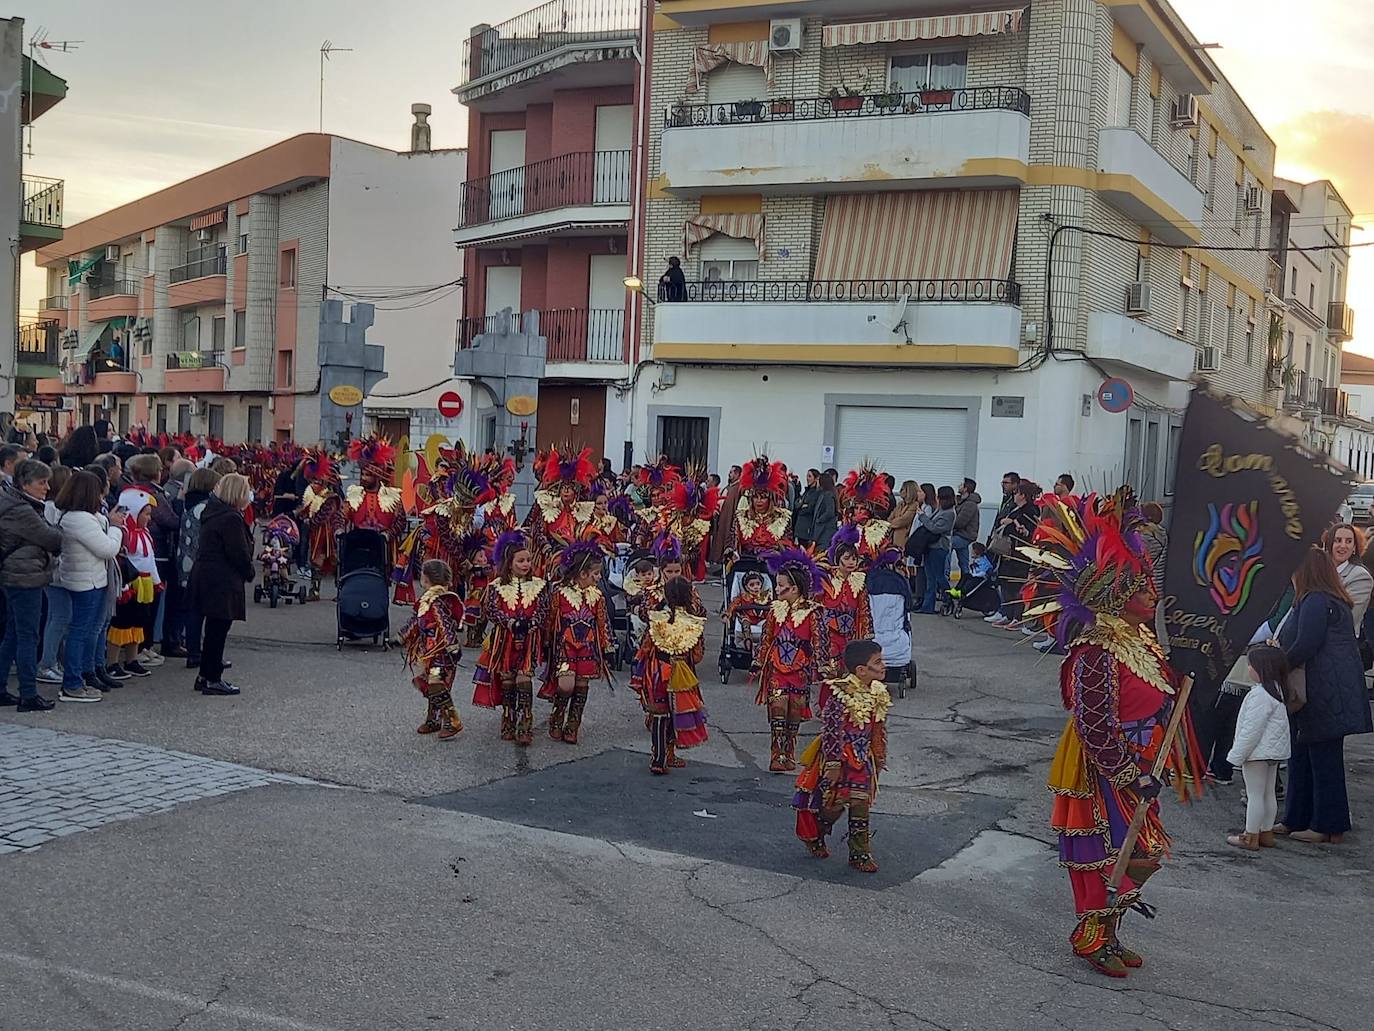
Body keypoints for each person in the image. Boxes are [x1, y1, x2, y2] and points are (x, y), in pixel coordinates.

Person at [1022, 488, 1199, 978]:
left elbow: (1157, 694)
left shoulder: (1139, 638)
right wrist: (1127, 774)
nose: (1153, 596)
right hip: (1105, 768)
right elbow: (1094, 722)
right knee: (1107, 852)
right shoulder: (1096, 651)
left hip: (1143, 760)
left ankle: (1110, 931)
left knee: (1140, 852)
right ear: (1118, 597)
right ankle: (1091, 936)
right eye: (1143, 590)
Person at [1275, 547, 1373, 843]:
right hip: (1327, 689)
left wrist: (1276, 666)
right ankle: (1298, 818)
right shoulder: (1329, 600)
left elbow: (1307, 643)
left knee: (1321, 759)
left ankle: (1326, 824)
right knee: (1305, 755)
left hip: (1321, 690)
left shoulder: (1315, 600)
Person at [792, 638, 891, 872]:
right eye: (878, 662)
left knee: (860, 803)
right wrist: (833, 764)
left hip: (862, 760)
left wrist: (879, 756)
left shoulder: (877, 692)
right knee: (833, 805)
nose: (884, 665)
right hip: (840, 758)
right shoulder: (840, 694)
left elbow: (878, 728)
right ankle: (816, 831)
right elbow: (831, 730)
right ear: (861, 670)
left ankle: (859, 854)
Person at [49, 471, 125, 702]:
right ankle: (72, 683)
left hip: (87, 578)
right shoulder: (79, 519)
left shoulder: (74, 516)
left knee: (85, 630)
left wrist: (106, 520)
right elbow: (107, 549)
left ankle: (84, 674)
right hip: (86, 581)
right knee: (79, 632)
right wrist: (115, 527)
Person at [471, 530, 549, 745]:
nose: (526, 564)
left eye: (528, 560)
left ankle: (524, 724)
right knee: (507, 681)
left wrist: (532, 623)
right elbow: (491, 610)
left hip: (528, 640)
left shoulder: (540, 585)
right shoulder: (496, 586)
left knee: (524, 679)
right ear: (509, 562)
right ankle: (508, 718)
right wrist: (510, 622)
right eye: (521, 561)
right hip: (504, 641)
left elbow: (544, 610)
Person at [753, 548, 824, 773]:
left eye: (780, 585)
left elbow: (819, 642)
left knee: (794, 715)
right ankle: (777, 755)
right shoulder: (775, 611)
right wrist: (759, 661)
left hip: (800, 672)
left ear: (794, 589)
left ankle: (789, 753)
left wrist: (824, 666)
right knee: (778, 712)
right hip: (777, 669)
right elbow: (766, 639)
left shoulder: (813, 613)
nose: (776, 589)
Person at [0, 460, 63, 711]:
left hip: (17, 574)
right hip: (24, 576)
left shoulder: (14, 502)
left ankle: (1, 688)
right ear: (25, 484)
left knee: (14, 634)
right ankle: (28, 694)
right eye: (41, 482)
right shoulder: (21, 510)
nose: (47, 487)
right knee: (28, 636)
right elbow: (51, 538)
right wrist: (56, 530)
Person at [632, 575, 709, 774]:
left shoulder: (656, 618)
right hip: (681, 674)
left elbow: (646, 646)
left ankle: (658, 759)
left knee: (659, 715)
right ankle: (670, 754)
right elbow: (698, 655)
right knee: (675, 713)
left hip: (658, 671)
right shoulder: (694, 622)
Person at [189, 474, 255, 696]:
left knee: (214, 629)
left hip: (209, 575)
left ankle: (205, 674)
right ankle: (212, 678)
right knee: (218, 630)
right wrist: (249, 571)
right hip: (221, 579)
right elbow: (238, 552)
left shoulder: (215, 512)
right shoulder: (230, 518)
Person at [539, 542, 612, 745]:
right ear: (582, 573)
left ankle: (573, 724)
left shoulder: (597, 597)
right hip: (565, 647)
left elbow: (602, 623)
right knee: (566, 684)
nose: (598, 577)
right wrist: (546, 643)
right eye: (595, 573)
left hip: (587, 648)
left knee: (581, 685)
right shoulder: (559, 593)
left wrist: (606, 647)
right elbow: (550, 619)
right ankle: (557, 715)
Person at [1225, 644, 1292, 851]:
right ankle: (1266, 832)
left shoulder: (1259, 695)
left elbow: (1251, 730)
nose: (1248, 669)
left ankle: (1250, 835)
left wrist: (1237, 755)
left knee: (1254, 794)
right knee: (1268, 793)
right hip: (1273, 752)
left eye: (1250, 665)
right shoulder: (1278, 692)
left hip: (1256, 752)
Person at [398, 558, 466, 741]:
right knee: (429, 683)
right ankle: (433, 719)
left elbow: (445, 624)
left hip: (442, 652)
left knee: (436, 683)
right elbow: (416, 621)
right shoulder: (428, 600)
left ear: (425, 579)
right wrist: (403, 636)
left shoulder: (438, 601)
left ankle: (452, 720)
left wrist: (451, 646)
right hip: (430, 652)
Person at [106, 487, 162, 680]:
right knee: (121, 623)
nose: (149, 518)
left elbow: (150, 560)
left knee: (139, 622)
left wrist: (156, 581)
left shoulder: (145, 533)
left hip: (144, 584)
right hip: (129, 585)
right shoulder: (124, 534)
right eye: (145, 514)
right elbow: (120, 562)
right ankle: (112, 662)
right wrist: (123, 587)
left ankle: (132, 659)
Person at [177, 468, 221, 668]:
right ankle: (196, 651)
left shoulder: (189, 502)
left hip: (186, 560)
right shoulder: (205, 507)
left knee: (193, 609)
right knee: (200, 610)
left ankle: (193, 648)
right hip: (200, 563)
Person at [985, 480, 1041, 629]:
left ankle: (1017, 616)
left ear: (1023, 495)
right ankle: (1007, 613)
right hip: (1007, 551)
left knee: (1017, 585)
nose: (1014, 496)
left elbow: (1027, 531)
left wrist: (1012, 523)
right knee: (1005, 583)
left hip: (1019, 553)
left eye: (1016, 493)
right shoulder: (1014, 508)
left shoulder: (1031, 511)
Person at [819, 531, 872, 676]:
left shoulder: (859, 582)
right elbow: (816, 606)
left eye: (854, 559)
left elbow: (864, 609)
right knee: (832, 672)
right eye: (847, 558)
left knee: (850, 672)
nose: (851, 562)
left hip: (850, 634)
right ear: (837, 560)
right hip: (830, 635)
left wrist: (866, 632)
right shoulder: (827, 580)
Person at [730, 457, 793, 558]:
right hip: (746, 561)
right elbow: (734, 543)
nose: (758, 501)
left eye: (763, 497)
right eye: (755, 497)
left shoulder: (782, 518)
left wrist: (776, 552)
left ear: (770, 500)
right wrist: (731, 551)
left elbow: (788, 545)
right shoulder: (741, 517)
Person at [916, 486, 957, 614]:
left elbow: (934, 528)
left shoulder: (949, 513)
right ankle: (928, 606)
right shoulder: (940, 510)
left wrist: (923, 517)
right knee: (930, 578)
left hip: (939, 547)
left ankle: (948, 598)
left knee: (939, 576)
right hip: (930, 547)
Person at [1324, 523, 1373, 630]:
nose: (1343, 545)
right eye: (1338, 540)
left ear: (1354, 547)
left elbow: (1348, 619)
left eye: (1349, 541)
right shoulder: (1318, 570)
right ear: (1329, 544)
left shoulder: (1360, 576)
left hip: (1337, 638)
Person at [951, 478, 981, 580]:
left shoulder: (970, 504)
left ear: (965, 488)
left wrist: (947, 523)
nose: (958, 486)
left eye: (961, 485)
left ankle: (945, 573)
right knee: (964, 562)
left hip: (964, 535)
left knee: (947, 545)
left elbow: (960, 522)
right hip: (961, 534)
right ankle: (966, 579)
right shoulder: (962, 502)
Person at [888, 481, 921, 550]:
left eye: (902, 489)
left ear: (909, 491)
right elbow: (891, 516)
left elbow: (902, 521)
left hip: (904, 539)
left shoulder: (914, 505)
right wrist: (890, 522)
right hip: (893, 537)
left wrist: (889, 523)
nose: (900, 491)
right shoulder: (900, 504)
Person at [793, 469, 821, 547]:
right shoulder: (806, 491)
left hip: (806, 529)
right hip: (799, 528)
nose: (807, 478)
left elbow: (810, 508)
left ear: (816, 478)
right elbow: (796, 503)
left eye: (809, 476)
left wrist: (801, 505)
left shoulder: (816, 493)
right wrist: (801, 505)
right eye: (807, 476)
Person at [812, 471, 839, 552]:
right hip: (822, 529)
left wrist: (819, 519)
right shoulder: (823, 494)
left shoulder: (828, 495)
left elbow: (830, 512)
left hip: (825, 530)